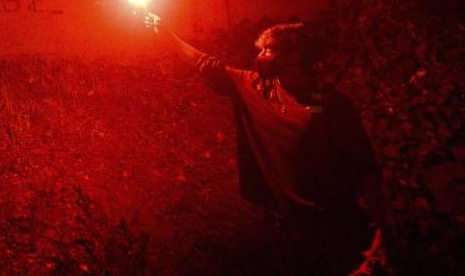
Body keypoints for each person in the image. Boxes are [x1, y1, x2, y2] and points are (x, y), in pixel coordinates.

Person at [146, 16, 389, 275]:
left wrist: (382, 240)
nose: (261, 55)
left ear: (294, 56)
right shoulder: (256, 88)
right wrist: (163, 31)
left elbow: (366, 171)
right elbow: (203, 62)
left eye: (268, 49)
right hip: (287, 231)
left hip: (337, 228)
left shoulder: (331, 106)